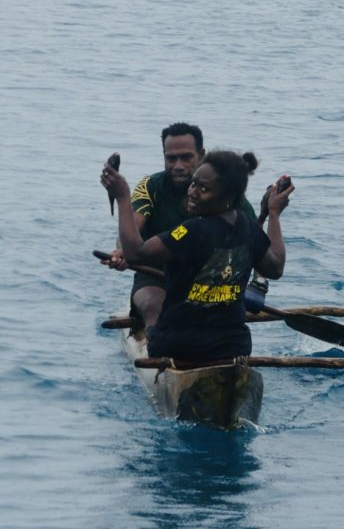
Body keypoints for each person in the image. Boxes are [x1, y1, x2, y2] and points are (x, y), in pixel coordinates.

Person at [100, 149, 293, 360]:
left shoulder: (190, 230)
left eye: (204, 188)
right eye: (194, 183)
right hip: (233, 346)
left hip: (177, 345)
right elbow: (275, 268)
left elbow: (135, 253)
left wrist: (122, 197)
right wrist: (273, 214)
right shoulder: (248, 226)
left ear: (228, 195)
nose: (192, 192)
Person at [102, 123, 264, 329]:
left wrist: (258, 283)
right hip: (155, 276)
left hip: (207, 281)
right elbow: (133, 228)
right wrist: (123, 251)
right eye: (170, 158)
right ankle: (159, 348)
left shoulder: (226, 193)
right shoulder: (151, 186)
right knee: (155, 308)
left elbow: (256, 243)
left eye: (186, 157)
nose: (178, 165)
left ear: (201, 155)